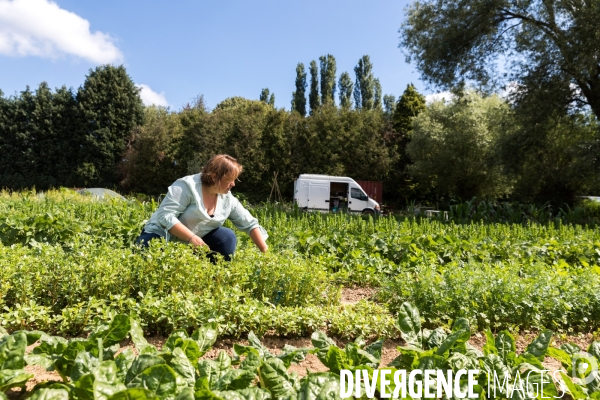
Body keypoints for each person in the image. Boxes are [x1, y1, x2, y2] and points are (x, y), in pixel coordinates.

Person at [135, 154, 268, 260]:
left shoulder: (227, 199)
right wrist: (191, 238)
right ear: (215, 177)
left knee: (227, 237)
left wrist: (266, 254)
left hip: (195, 244)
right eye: (230, 179)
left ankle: (216, 278)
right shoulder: (186, 186)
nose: (233, 184)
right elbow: (165, 216)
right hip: (162, 235)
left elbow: (250, 224)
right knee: (147, 249)